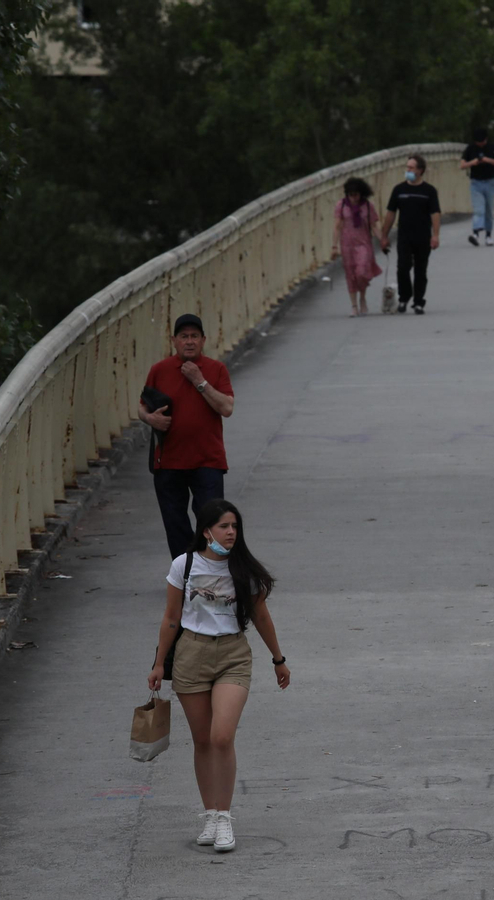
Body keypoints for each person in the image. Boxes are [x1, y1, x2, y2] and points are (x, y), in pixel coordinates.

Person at [148, 500, 289, 854]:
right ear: (206, 529)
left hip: (233, 655)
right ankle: (209, 814)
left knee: (222, 736)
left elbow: (261, 617)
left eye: (235, 527)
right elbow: (171, 617)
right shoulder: (185, 565)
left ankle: (224, 817)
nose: (231, 533)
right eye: (224, 526)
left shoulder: (244, 569)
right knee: (202, 741)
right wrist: (158, 663)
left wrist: (278, 659)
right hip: (191, 655)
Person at [139, 314, 235, 558]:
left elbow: (226, 408)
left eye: (194, 336)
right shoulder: (159, 370)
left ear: (203, 340)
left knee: (212, 521)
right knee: (175, 523)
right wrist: (150, 419)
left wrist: (199, 381)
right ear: (174, 340)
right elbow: (143, 406)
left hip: (208, 460)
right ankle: (186, 574)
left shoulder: (216, 369)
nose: (189, 342)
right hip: (169, 460)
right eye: (184, 337)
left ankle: (212, 569)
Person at [380, 155, 441, 314]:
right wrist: (384, 236)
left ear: (420, 170)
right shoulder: (399, 190)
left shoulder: (429, 191)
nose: (408, 170)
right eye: (407, 167)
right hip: (404, 236)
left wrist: (435, 235)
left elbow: (435, 213)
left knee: (421, 270)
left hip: (423, 236)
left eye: (411, 168)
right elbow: (391, 213)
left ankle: (419, 301)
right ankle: (404, 297)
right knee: (402, 267)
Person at [333, 178, 382, 316]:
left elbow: (374, 226)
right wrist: (334, 246)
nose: (353, 198)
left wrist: (383, 240)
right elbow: (337, 226)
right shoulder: (341, 205)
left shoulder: (367, 206)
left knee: (361, 272)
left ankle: (363, 297)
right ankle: (354, 305)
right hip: (346, 244)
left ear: (361, 194)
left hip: (364, 243)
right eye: (351, 195)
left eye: (356, 194)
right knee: (350, 274)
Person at [459, 127, 494, 246]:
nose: (479, 143)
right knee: (479, 209)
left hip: (490, 182)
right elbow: (462, 165)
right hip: (476, 183)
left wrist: (487, 160)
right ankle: (476, 234)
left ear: (486, 139)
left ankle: (488, 235)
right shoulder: (470, 149)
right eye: (477, 141)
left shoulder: (493, 148)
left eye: (481, 141)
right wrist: (472, 163)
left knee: (489, 210)